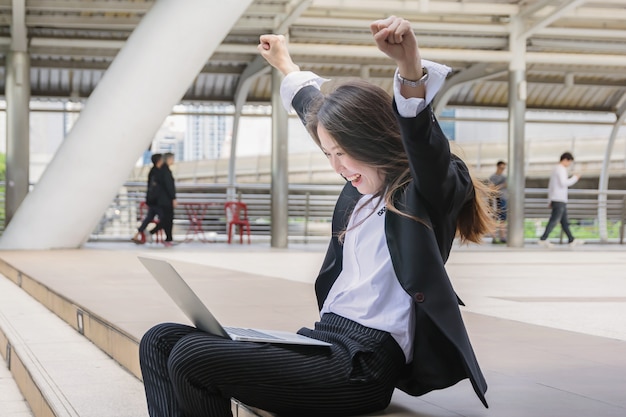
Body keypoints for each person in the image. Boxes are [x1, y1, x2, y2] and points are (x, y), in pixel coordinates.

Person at [139, 16, 491, 417]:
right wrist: (286, 66)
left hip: (362, 366)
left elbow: (423, 144)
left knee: (193, 357)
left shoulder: (423, 192)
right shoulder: (357, 193)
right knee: (161, 339)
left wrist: (410, 69)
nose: (337, 166)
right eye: (328, 154)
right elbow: (312, 107)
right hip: (322, 343)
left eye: (342, 152)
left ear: (373, 140)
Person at [538, 152, 582, 247]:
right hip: (559, 199)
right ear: (566, 160)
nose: (569, 165)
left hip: (557, 198)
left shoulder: (556, 169)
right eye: (569, 162)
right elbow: (564, 183)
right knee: (554, 220)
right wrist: (575, 178)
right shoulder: (561, 169)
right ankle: (543, 239)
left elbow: (551, 186)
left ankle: (571, 239)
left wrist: (550, 199)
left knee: (564, 221)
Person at [132, 153, 164, 244]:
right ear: (159, 161)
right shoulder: (157, 172)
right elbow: (156, 187)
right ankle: (149, 233)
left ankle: (137, 234)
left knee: (149, 218)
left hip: (151, 200)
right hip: (156, 201)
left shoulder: (152, 171)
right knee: (164, 219)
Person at [152, 152, 177, 247]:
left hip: (161, 200)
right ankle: (152, 232)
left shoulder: (161, 170)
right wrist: (173, 198)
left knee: (166, 219)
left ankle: (169, 239)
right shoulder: (166, 171)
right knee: (167, 219)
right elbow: (169, 186)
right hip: (166, 200)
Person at [489, 160, 508, 244]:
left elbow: (506, 185)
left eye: (504, 168)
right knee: (494, 218)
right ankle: (494, 237)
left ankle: (503, 237)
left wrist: (498, 187)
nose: (502, 169)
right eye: (501, 167)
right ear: (497, 166)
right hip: (495, 198)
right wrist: (501, 185)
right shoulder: (493, 177)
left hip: (503, 198)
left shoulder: (505, 177)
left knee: (503, 218)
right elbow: (491, 188)